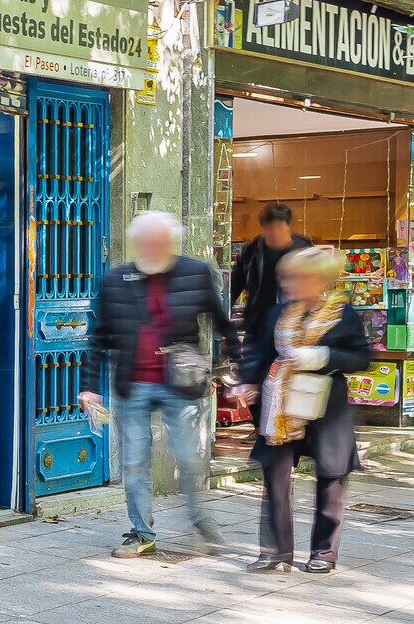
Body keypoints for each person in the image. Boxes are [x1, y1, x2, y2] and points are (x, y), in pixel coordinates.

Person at [79, 211, 239, 558]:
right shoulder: (117, 280)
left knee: (187, 456)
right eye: (146, 242)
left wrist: (236, 362)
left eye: (160, 242)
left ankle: (200, 522)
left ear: (170, 243)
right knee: (134, 461)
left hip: (180, 383)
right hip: (133, 383)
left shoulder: (195, 273)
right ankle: (142, 534)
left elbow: (222, 322)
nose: (152, 248)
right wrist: (89, 386)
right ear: (136, 244)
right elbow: (100, 335)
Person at [236, 244, 370, 573]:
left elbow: (361, 358)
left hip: (326, 404)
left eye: (294, 278)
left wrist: (319, 357)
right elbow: (260, 350)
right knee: (275, 475)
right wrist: (249, 382)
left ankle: (323, 553)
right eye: (285, 277)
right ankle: (275, 551)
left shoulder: (343, 314)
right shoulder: (278, 313)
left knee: (331, 476)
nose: (287, 284)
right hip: (280, 405)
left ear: (317, 281)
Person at [231, 203, 311, 375]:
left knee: (290, 378)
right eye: (269, 228)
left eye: (279, 227)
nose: (274, 233)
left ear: (288, 226)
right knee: (253, 378)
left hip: (296, 327)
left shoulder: (305, 251)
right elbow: (234, 286)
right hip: (258, 325)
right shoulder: (251, 252)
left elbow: (317, 286)